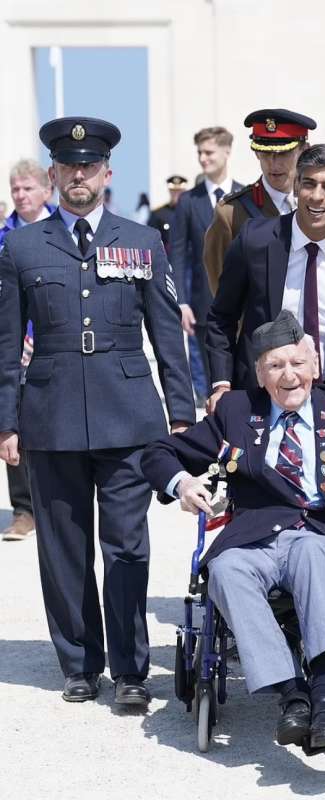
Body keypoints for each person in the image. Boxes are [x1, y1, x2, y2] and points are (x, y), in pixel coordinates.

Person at [141, 310, 325, 747]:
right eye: (275, 366)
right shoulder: (238, 411)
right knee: (225, 570)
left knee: (311, 553)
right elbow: (159, 453)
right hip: (252, 537)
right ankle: (293, 694)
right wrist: (182, 482)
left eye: (297, 363)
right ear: (260, 375)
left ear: (315, 366)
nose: (289, 375)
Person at [0, 116, 195, 707]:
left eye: (89, 166)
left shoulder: (140, 241)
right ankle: (80, 662)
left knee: (127, 546)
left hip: (128, 413)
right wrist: (6, 421)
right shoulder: (22, 245)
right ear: (54, 174)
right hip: (51, 414)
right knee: (62, 547)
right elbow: (7, 343)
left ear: (107, 173)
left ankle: (133, 670)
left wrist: (181, 417)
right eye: (68, 167)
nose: (78, 176)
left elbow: (167, 334)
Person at [206, 144, 325, 413]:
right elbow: (221, 318)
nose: (317, 196)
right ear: (296, 187)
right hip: (260, 397)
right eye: (309, 184)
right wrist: (222, 386)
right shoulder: (255, 240)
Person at [203, 108, 317, 296]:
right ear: (256, 153)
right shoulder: (231, 213)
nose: (273, 163)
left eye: (282, 153)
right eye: (265, 153)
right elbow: (221, 289)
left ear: (304, 151)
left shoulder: (320, 205)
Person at [0, 159, 56, 542]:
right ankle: (24, 509)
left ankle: (56, 503)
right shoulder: (4, 235)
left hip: (55, 343)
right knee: (13, 419)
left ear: (45, 190)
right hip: (14, 347)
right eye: (15, 189)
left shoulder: (63, 230)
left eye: (27, 188)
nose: (20, 195)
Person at [170, 126, 243, 394]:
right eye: (200, 152)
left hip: (244, 305)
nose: (203, 158)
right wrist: (181, 301)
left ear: (227, 152)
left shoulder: (245, 196)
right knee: (214, 382)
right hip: (203, 307)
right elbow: (177, 254)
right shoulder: (189, 200)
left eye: (209, 152)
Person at [147, 175, 188, 255]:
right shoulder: (158, 214)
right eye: (173, 191)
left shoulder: (190, 212)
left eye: (179, 191)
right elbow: (151, 240)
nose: (176, 194)